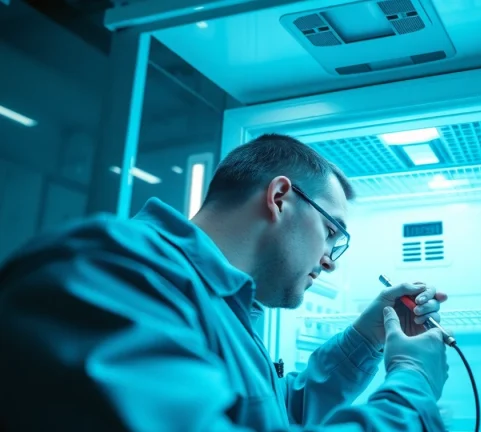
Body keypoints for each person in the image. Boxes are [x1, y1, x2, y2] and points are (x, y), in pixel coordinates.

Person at [0, 134, 451, 431]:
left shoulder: (223, 306)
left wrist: (365, 338)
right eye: (332, 233)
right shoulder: (112, 267)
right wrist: (412, 386)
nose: (329, 262)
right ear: (279, 198)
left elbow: (275, 415)